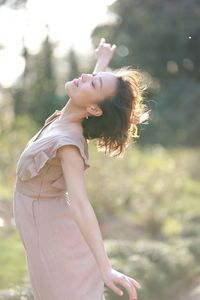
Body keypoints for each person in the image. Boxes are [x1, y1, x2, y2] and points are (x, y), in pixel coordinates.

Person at [13, 38, 150, 300]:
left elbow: (80, 204)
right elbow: (92, 91)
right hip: (45, 231)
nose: (85, 75)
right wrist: (102, 62)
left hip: (54, 241)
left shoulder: (69, 143)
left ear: (93, 109)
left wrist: (105, 267)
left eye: (94, 81)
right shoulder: (64, 117)